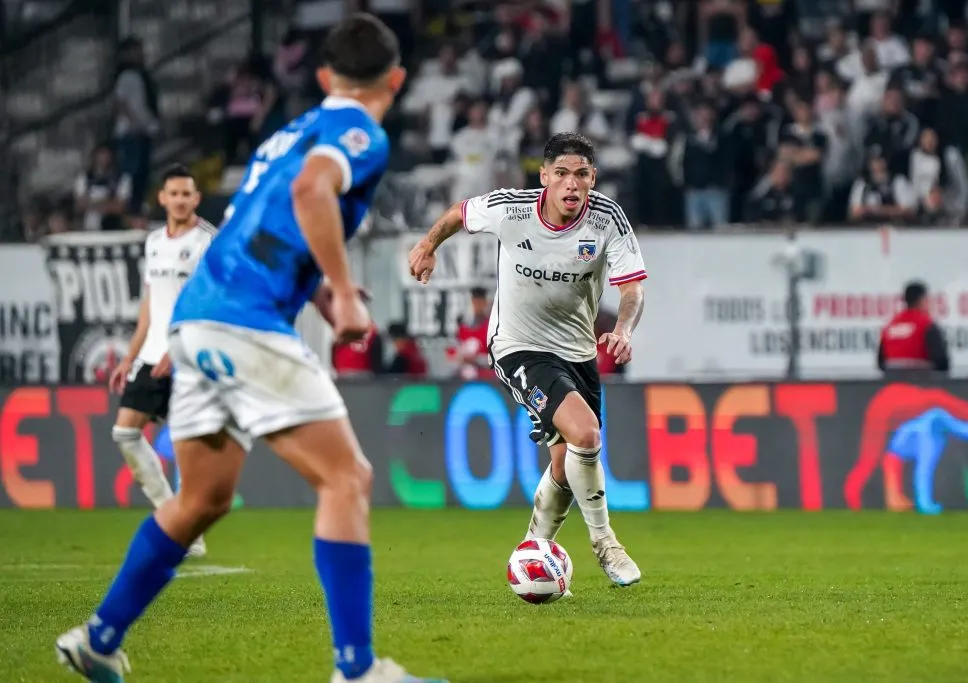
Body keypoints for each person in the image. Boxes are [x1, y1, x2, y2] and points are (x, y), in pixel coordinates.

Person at [56, 15, 447, 683]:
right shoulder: (361, 133)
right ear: (397, 79)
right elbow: (311, 191)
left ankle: (98, 638)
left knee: (201, 499)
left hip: (197, 320)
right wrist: (345, 292)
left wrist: (319, 295)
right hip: (246, 320)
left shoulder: (284, 135)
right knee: (346, 479)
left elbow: (259, 224)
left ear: (322, 76)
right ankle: (357, 670)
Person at [408, 132, 646, 587]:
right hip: (518, 345)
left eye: (581, 174)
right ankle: (605, 542)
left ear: (593, 178)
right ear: (544, 177)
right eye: (562, 174)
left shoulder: (607, 218)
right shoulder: (511, 209)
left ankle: (531, 553)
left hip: (578, 351)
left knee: (565, 466)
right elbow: (459, 213)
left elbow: (632, 289)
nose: (572, 184)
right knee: (585, 432)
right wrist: (427, 246)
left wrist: (623, 330)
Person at [108, 164, 214, 560]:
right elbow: (150, 307)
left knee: (188, 445)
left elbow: (208, 303)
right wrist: (129, 357)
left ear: (196, 199)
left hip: (188, 356)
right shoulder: (153, 242)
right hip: (152, 355)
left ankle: (189, 530)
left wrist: (177, 349)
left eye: (187, 194)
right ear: (163, 198)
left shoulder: (207, 241)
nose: (181, 200)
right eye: (175, 193)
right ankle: (172, 515)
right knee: (125, 433)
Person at [877, 280, 950, 375]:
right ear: (922, 300)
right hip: (921, 381)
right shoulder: (926, 324)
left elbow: (881, 362)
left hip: (893, 382)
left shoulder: (890, 326)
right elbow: (941, 362)